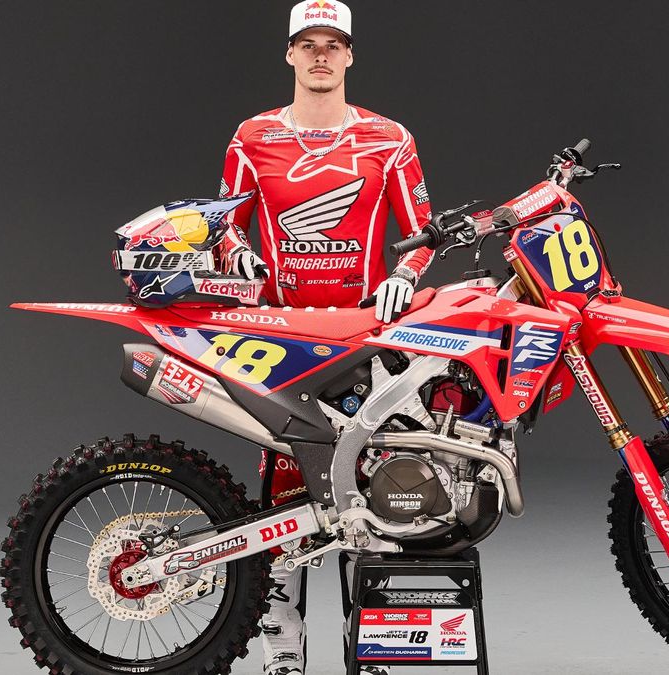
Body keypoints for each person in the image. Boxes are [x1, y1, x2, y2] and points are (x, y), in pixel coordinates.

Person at [216, 3, 433, 674]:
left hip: (369, 340)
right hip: (283, 343)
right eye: (306, 44)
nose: (319, 55)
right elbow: (224, 224)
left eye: (331, 44)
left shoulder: (388, 138)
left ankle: (377, 648)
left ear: (349, 55)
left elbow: (422, 233)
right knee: (287, 498)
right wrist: (236, 255)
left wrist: (403, 275)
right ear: (289, 54)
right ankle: (283, 648)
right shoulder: (251, 137)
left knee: (378, 493)